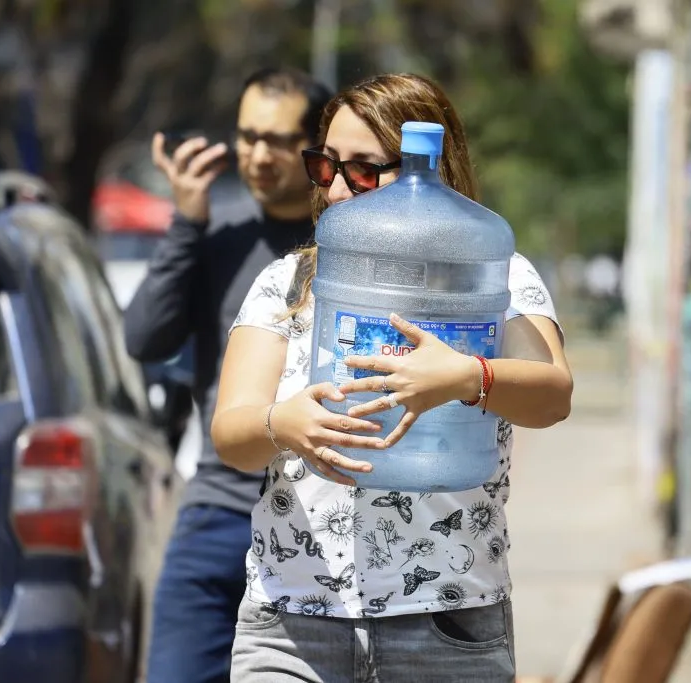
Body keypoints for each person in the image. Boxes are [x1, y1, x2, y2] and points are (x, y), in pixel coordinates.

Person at [211, 72, 574, 682]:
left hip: (446, 619)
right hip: (291, 622)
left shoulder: (495, 272)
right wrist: (283, 424)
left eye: (362, 170)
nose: (338, 190)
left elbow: (553, 396)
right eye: (326, 166)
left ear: (431, 170)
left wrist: (467, 376)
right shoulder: (287, 283)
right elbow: (231, 433)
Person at [123, 67, 332, 683]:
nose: (259, 155)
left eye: (279, 140)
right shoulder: (216, 235)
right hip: (218, 511)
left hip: (318, 522)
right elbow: (144, 337)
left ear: (316, 147)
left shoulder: (347, 243)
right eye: (248, 136)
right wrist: (186, 220)